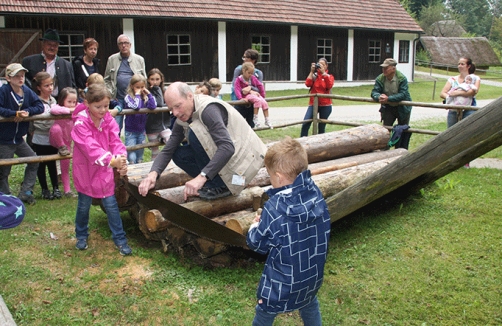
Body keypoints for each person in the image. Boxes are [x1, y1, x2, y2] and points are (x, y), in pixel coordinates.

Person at [246, 136, 331, 326]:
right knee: (310, 305)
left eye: (269, 175)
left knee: (264, 313)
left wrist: (255, 226)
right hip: (311, 277)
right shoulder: (315, 194)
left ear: (278, 176)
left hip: (280, 284)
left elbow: (257, 243)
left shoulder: (275, 207)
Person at [138, 82, 267, 201]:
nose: (175, 113)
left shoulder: (208, 110)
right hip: (231, 165)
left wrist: (201, 177)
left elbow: (227, 147)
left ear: (190, 96)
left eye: (178, 106)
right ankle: (213, 184)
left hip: (242, 172)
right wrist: (152, 174)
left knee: (195, 134)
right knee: (177, 152)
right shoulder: (184, 115)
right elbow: (168, 149)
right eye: (171, 109)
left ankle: (221, 186)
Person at [71, 83, 132, 255]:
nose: (103, 110)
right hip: (85, 172)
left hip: (103, 173)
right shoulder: (80, 124)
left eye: (106, 106)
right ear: (87, 103)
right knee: (83, 205)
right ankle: (81, 235)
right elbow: (90, 147)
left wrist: (121, 158)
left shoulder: (108, 120)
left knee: (111, 205)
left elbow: (115, 141)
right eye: (98, 106)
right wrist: (112, 160)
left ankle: (120, 239)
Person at [0, 63, 44, 205]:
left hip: (19, 139)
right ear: (8, 77)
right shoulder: (4, 91)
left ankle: (26, 191)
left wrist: (27, 112)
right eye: (17, 76)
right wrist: (13, 114)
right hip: (4, 139)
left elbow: (40, 106)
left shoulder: (26, 91)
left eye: (22, 76)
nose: (20, 79)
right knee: (4, 170)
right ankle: (5, 197)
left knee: (33, 160)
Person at [104, 34, 146, 135]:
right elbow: (106, 79)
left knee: (134, 126)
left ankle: (132, 147)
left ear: (130, 45)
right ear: (118, 45)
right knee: (115, 127)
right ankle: (115, 148)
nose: (124, 45)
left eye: (126, 43)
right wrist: (111, 94)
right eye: (121, 43)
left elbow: (144, 79)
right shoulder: (112, 59)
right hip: (118, 99)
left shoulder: (139, 59)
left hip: (134, 98)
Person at [22, 28, 76, 100]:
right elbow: (24, 84)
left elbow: (72, 87)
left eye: (55, 45)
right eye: (49, 44)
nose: (52, 47)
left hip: (60, 104)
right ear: (43, 44)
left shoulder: (67, 65)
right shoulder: (29, 61)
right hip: (35, 102)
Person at [31, 72, 61, 200]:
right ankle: (44, 189)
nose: (50, 88)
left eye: (51, 85)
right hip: (40, 137)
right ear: (39, 87)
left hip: (51, 137)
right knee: (41, 164)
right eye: (46, 85)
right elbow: (35, 121)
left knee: (52, 162)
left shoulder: (53, 100)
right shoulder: (36, 101)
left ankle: (56, 187)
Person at [49, 87, 78, 197]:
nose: (72, 104)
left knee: (65, 166)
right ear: (62, 100)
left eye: (74, 102)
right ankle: (61, 147)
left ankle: (67, 190)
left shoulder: (77, 108)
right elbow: (53, 110)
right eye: (69, 102)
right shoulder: (57, 107)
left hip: (67, 141)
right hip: (56, 139)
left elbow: (83, 108)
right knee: (56, 128)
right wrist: (70, 110)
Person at [124, 74, 156, 164]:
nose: (140, 89)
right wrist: (137, 95)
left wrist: (149, 94)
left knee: (140, 153)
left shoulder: (144, 97)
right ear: (131, 86)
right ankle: (132, 167)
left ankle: (140, 169)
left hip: (141, 131)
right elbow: (136, 107)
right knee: (132, 153)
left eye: (142, 87)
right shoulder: (128, 98)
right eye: (137, 87)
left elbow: (153, 106)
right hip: (131, 131)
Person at [440, 57, 480, 128]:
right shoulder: (452, 79)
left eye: (462, 64)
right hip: (453, 109)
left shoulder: (474, 78)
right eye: (459, 64)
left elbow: (473, 92)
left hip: (469, 107)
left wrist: (457, 93)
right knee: (451, 130)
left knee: (467, 129)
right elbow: (443, 93)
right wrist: (450, 98)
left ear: (469, 66)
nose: (460, 66)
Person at [371, 58, 412, 127]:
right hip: (388, 107)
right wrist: (378, 97)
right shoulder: (380, 78)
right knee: (386, 128)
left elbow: (403, 94)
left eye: (386, 68)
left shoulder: (402, 78)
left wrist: (388, 98)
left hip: (403, 107)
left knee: (403, 129)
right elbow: (374, 91)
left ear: (393, 69)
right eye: (383, 68)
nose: (384, 70)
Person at [301, 58, 335, 137]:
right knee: (305, 123)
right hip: (313, 103)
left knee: (321, 127)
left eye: (323, 64)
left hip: (326, 105)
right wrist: (312, 71)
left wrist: (324, 74)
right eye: (319, 64)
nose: (320, 66)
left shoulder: (330, 76)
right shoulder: (314, 76)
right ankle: (302, 140)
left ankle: (320, 143)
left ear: (326, 66)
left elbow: (329, 85)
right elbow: (307, 84)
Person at [234, 62, 272, 129]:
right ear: (243, 71)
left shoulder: (253, 78)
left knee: (264, 103)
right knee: (257, 101)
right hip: (247, 97)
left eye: (252, 73)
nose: (250, 75)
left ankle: (267, 119)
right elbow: (237, 89)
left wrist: (263, 96)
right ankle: (255, 118)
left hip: (254, 96)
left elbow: (259, 85)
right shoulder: (239, 79)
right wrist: (240, 98)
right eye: (249, 73)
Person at [231, 49, 264, 127]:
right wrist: (239, 97)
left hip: (252, 103)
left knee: (250, 125)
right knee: (237, 124)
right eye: (244, 57)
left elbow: (259, 88)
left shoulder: (258, 73)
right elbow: (235, 86)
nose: (244, 59)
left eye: (246, 57)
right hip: (240, 102)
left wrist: (250, 88)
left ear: (253, 60)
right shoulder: (239, 69)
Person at [145, 68, 171, 160]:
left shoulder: (165, 91)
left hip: (165, 126)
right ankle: (154, 170)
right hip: (152, 127)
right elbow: (159, 103)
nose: (155, 82)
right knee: (155, 152)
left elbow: (163, 103)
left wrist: (158, 90)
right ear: (148, 80)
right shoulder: (146, 92)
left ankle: (172, 164)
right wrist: (156, 89)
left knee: (170, 142)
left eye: (157, 79)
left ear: (161, 80)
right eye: (152, 79)